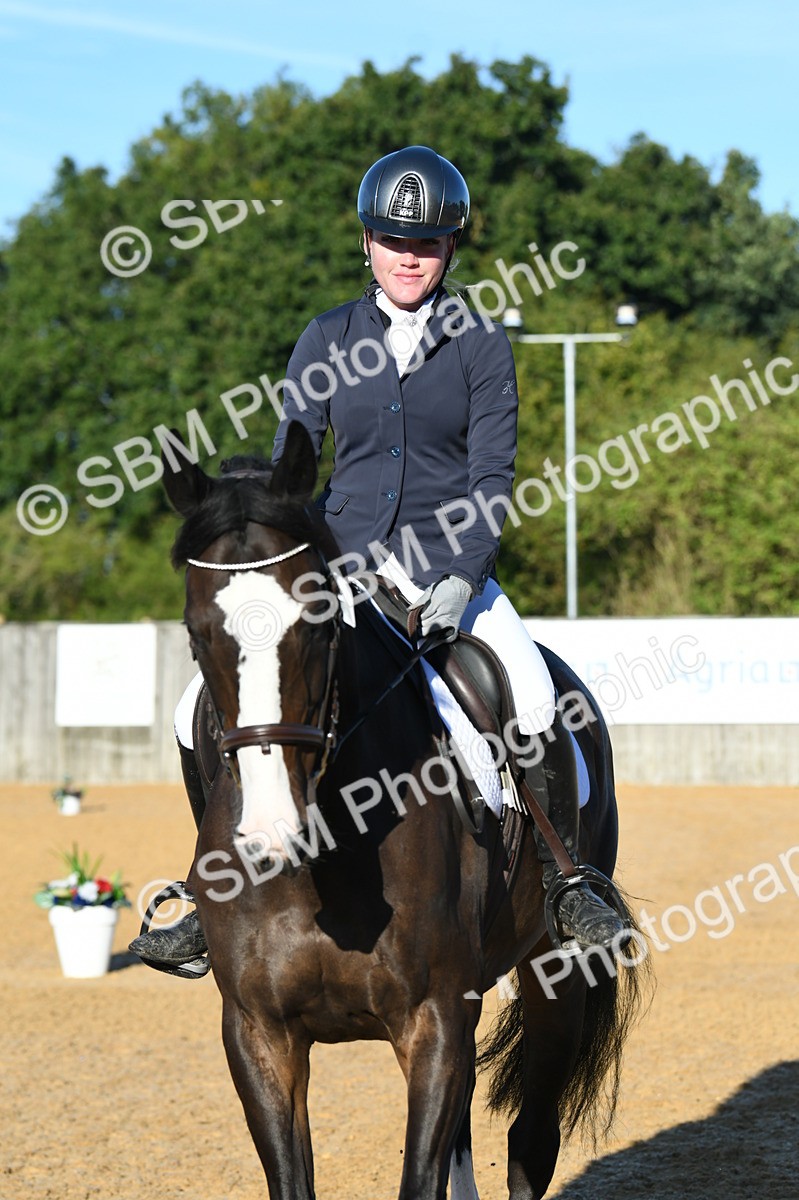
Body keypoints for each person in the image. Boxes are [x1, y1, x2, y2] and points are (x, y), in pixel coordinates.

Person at [130, 145, 627, 972]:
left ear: (450, 249)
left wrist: (462, 573)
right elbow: (298, 462)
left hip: (448, 573)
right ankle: (209, 892)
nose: (409, 255)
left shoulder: (479, 343)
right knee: (195, 709)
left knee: (534, 697)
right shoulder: (326, 337)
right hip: (344, 572)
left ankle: (569, 879)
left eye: (426, 243)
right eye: (393, 239)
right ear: (366, 242)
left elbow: (491, 474)